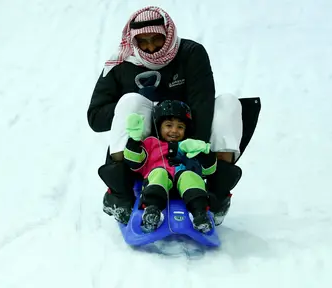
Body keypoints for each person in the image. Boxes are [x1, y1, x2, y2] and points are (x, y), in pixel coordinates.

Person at [87, 6, 243, 227]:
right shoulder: (122, 65)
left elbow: (202, 102)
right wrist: (139, 105)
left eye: (156, 39)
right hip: (145, 142)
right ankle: (119, 193)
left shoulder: (190, 53)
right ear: (133, 41)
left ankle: (217, 195)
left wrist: (193, 149)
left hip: (187, 132)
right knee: (131, 100)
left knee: (228, 103)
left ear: (167, 33)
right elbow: (95, 117)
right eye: (143, 41)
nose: (150, 47)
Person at [122, 100, 216, 233]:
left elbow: (208, 171)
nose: (174, 131)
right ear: (159, 127)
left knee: (189, 175)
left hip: (184, 188)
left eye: (180, 127)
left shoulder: (189, 145)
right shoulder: (150, 143)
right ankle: (152, 211)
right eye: (169, 125)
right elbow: (133, 161)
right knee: (159, 172)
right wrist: (134, 140)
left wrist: (205, 154)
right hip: (157, 186)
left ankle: (199, 213)